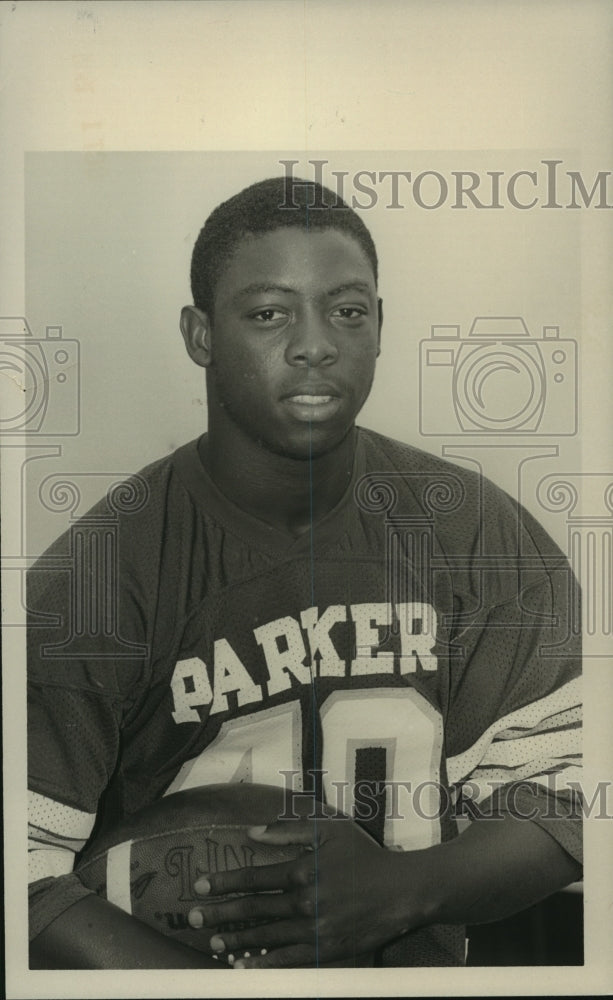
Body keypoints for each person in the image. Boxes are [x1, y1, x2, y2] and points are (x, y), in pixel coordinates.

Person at [27, 175, 582, 969]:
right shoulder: (101, 574)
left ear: (380, 326)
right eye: (267, 314)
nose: (314, 343)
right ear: (200, 335)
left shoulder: (477, 535)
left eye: (347, 310)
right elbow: (23, 871)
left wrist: (400, 892)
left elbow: (570, 802)